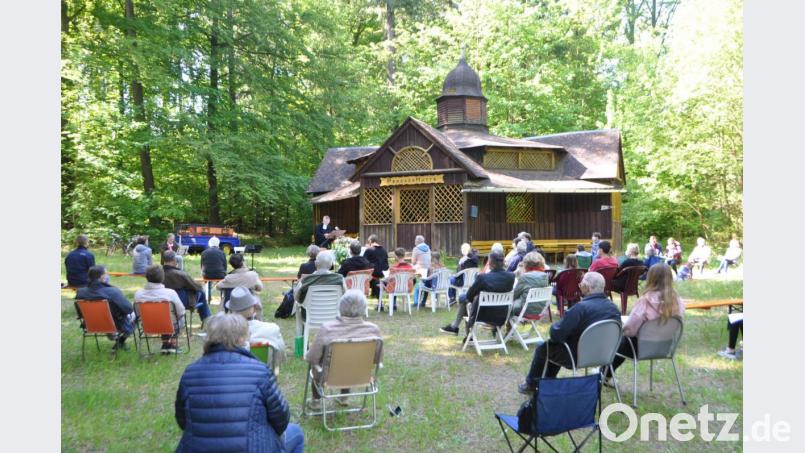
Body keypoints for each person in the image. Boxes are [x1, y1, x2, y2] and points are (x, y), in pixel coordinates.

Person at [175, 314, 304, 453]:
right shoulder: (261, 371)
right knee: (296, 433)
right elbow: (281, 419)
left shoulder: (190, 373)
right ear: (242, 338)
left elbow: (183, 420)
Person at [518, 272, 621, 394]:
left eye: (581, 284)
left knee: (544, 347)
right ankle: (548, 382)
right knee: (553, 346)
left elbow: (556, 334)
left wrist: (555, 327)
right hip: (604, 355)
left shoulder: (581, 308)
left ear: (587, 287)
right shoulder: (613, 308)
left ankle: (532, 384)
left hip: (578, 356)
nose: (579, 286)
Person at [603, 264, 685, 382]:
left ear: (650, 278)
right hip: (665, 346)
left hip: (640, 348)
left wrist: (623, 328)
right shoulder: (678, 301)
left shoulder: (645, 301)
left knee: (615, 339)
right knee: (622, 341)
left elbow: (630, 330)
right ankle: (605, 374)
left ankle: (604, 374)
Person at [305, 290, 382, 402]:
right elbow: (377, 359)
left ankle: (316, 401)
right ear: (364, 308)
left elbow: (312, 357)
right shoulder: (373, 330)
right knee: (351, 362)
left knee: (318, 368)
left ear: (341, 307)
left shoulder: (327, 329)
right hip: (360, 375)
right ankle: (344, 398)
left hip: (329, 377)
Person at [439, 250, 514, 336]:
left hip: (483, 316)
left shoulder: (483, 278)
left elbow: (469, 296)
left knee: (464, 299)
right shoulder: (511, 277)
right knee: (466, 301)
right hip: (502, 315)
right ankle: (460, 331)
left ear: (490, 263)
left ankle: (459, 329)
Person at [75, 265, 135, 351]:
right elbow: (128, 309)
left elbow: (80, 313)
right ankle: (120, 341)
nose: (107, 276)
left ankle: (114, 336)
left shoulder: (80, 292)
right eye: (106, 274)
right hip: (114, 324)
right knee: (135, 314)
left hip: (90, 324)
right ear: (102, 277)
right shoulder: (113, 291)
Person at [134, 265, 186, 353]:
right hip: (169, 325)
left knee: (170, 319)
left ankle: (166, 344)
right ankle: (171, 344)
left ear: (147, 277)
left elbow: (137, 313)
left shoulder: (138, 294)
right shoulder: (170, 293)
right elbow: (181, 311)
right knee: (179, 319)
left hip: (147, 326)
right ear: (162, 277)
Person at [227, 286, 287, 363]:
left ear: (231, 311)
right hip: (265, 372)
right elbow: (281, 358)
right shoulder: (272, 329)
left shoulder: (222, 334)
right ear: (255, 308)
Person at [163, 250, 212, 323]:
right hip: (182, 302)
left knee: (200, 292)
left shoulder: (158, 273)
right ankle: (207, 320)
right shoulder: (181, 274)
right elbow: (196, 286)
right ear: (174, 260)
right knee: (201, 292)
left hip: (163, 302)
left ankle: (207, 320)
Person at [511, 252, 551, 316]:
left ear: (526, 263)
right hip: (540, 309)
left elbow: (514, 295)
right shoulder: (545, 276)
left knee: (507, 305)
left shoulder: (525, 277)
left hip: (524, 309)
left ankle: (505, 324)